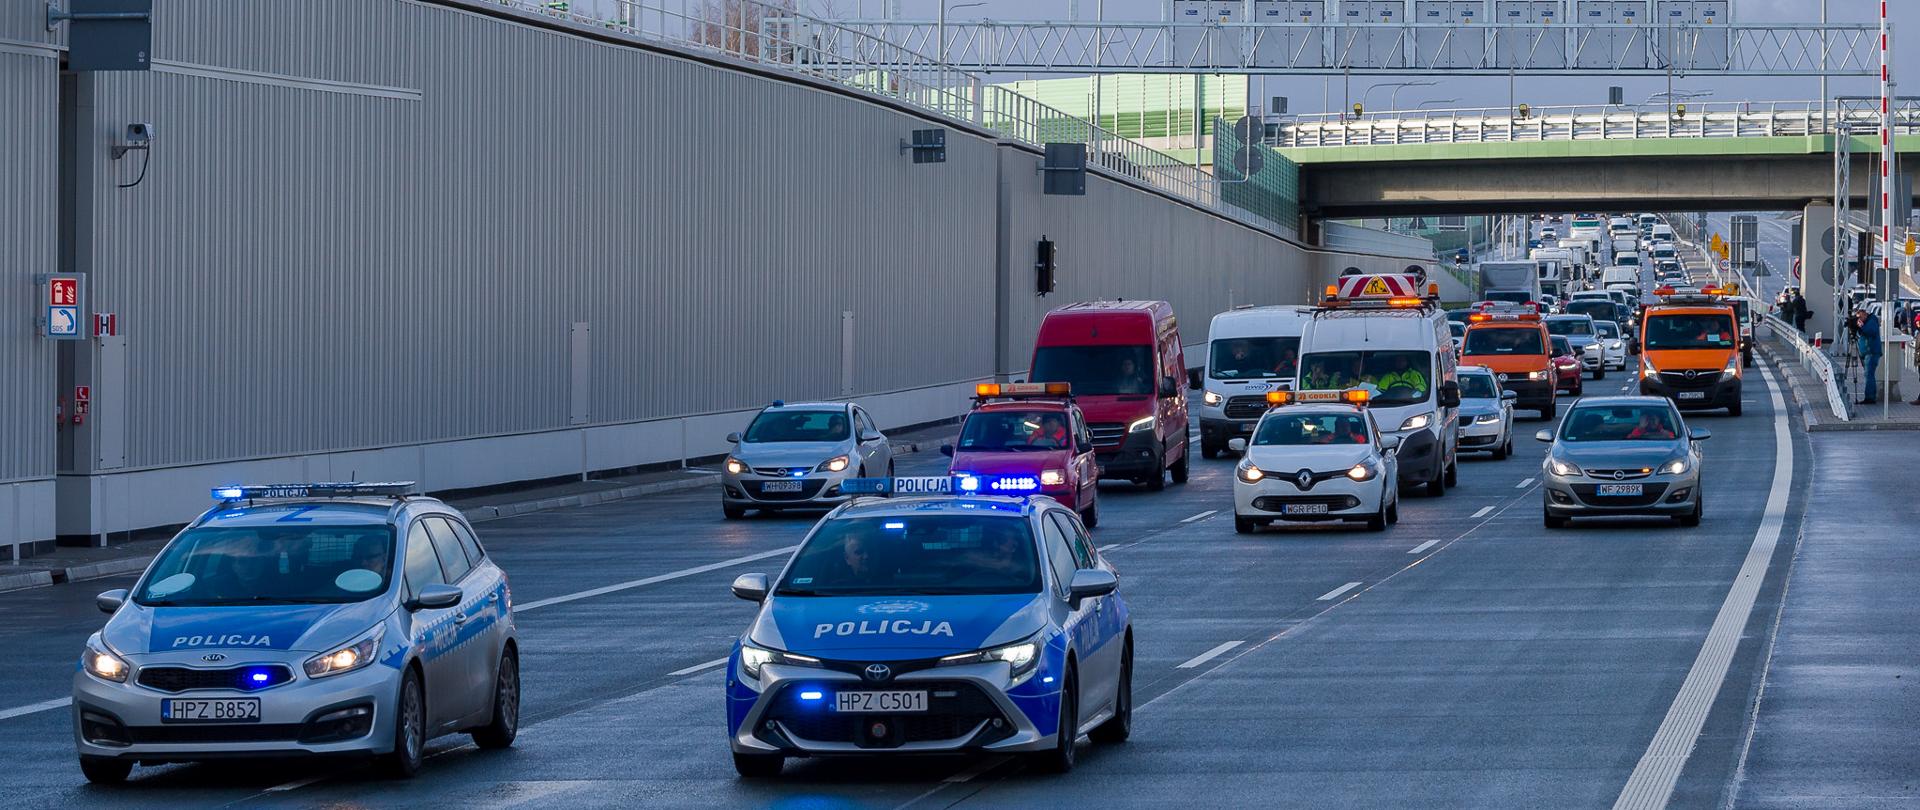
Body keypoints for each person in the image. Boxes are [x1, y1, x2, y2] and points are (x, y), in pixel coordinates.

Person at [1856, 307, 1882, 405]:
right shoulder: (1868, 322)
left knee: (1869, 375)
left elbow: (1871, 332)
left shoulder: (1872, 321)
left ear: (1864, 314)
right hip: (1867, 352)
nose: (1859, 320)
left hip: (1871, 352)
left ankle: (1870, 397)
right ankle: (1870, 396)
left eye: (1860, 317)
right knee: (1869, 375)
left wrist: (1861, 326)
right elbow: (1863, 333)